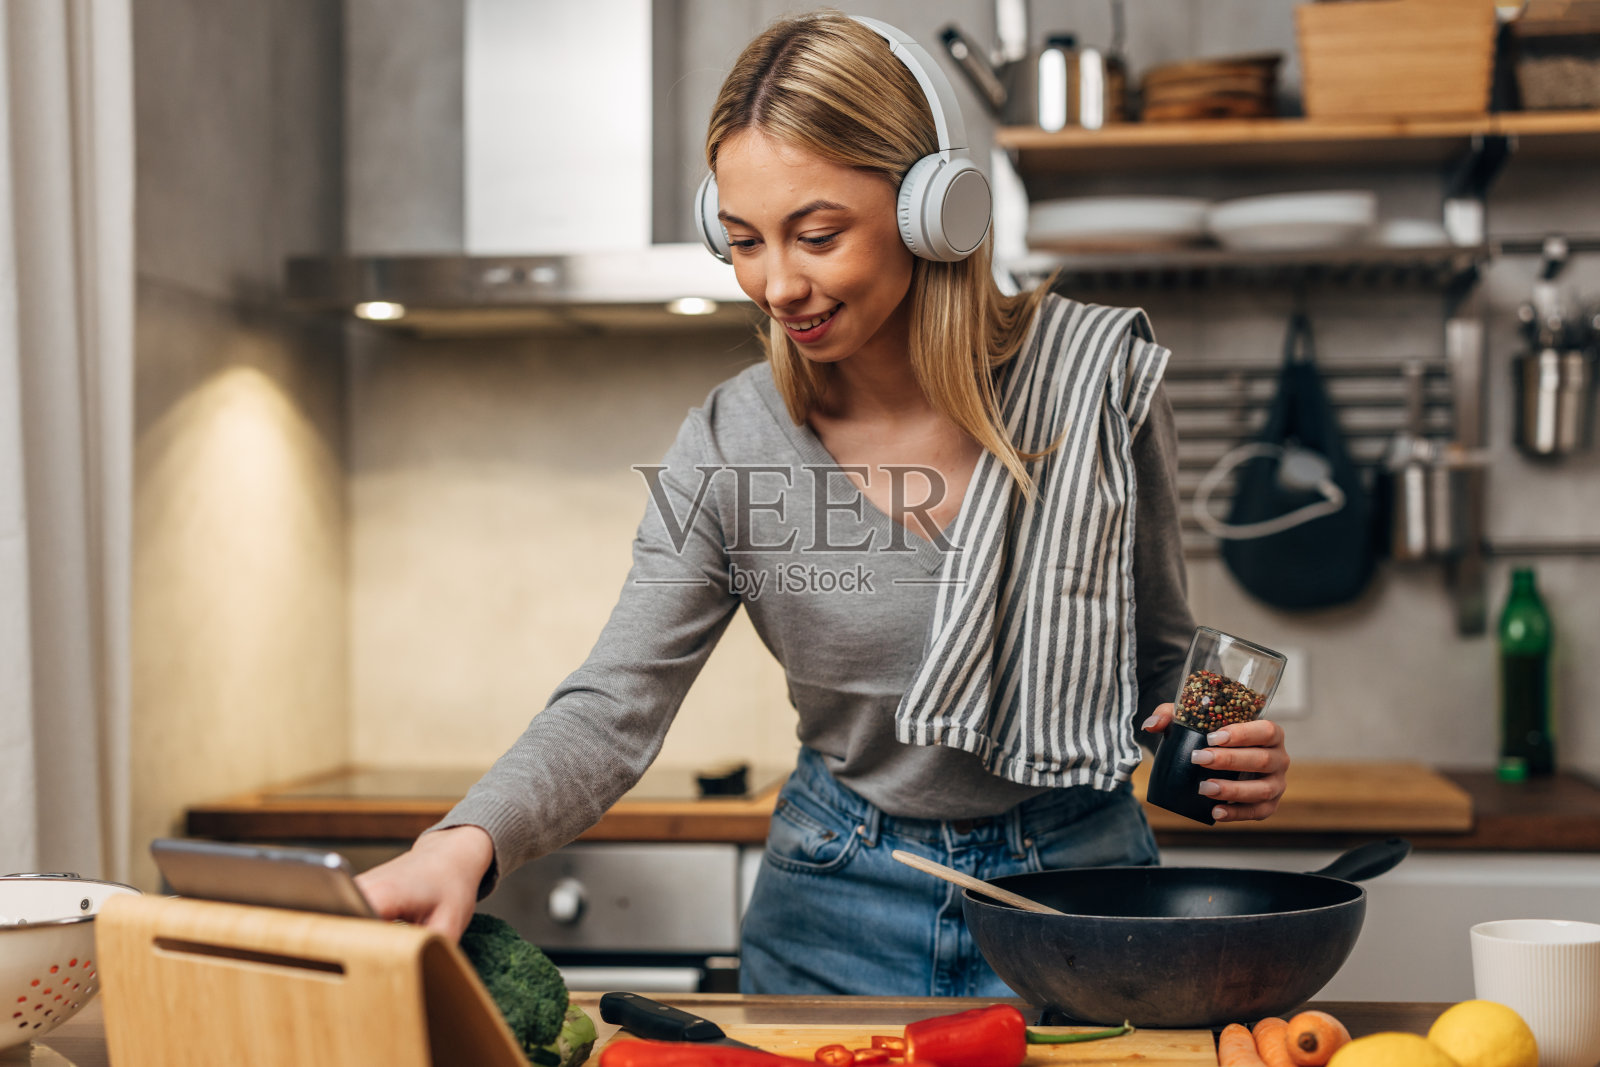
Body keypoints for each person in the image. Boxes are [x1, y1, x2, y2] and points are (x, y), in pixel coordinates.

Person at [356, 11, 1291, 997]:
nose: (777, 285)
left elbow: (1160, 656)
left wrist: (1230, 743)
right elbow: (615, 700)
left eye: (816, 234)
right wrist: (463, 841)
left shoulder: (1093, 384)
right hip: (834, 901)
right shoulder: (729, 443)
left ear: (937, 207)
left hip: (1079, 894)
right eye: (745, 241)